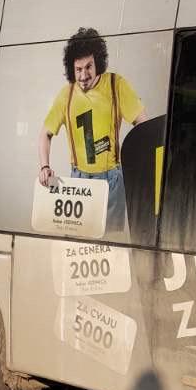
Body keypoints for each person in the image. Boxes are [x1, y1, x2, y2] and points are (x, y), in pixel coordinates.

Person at [38, 27, 144, 234]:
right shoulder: (66, 95)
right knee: (79, 248)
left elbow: (143, 126)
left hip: (112, 181)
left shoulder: (116, 85)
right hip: (79, 181)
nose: (84, 75)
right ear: (72, 68)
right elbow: (44, 134)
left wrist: (140, 168)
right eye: (78, 69)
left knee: (111, 248)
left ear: (98, 63)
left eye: (89, 67)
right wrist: (44, 167)